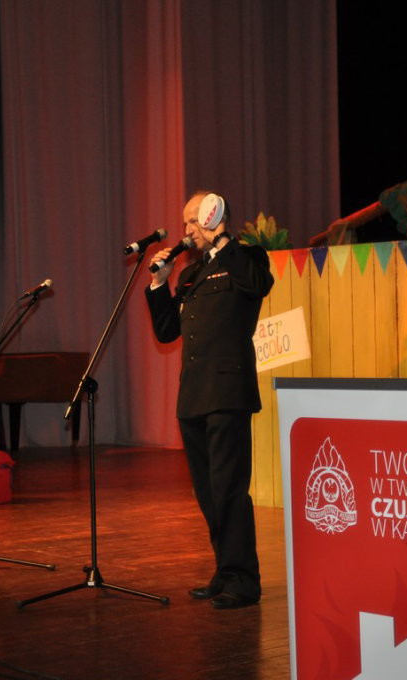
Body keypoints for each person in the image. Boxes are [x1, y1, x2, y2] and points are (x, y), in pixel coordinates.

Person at [145, 190, 274, 609]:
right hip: (193, 395)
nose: (186, 230)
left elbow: (259, 285)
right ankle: (225, 570)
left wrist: (222, 240)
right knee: (207, 492)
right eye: (184, 222)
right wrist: (159, 284)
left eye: (192, 220)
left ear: (212, 216)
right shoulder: (191, 274)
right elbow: (167, 331)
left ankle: (244, 581)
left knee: (229, 490)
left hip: (228, 392)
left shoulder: (246, 258)